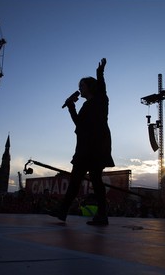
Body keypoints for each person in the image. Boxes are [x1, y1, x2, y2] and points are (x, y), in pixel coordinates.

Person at [49, 58, 115, 226]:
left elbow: (102, 86)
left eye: (82, 86)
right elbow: (79, 124)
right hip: (85, 146)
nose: (79, 89)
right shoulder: (85, 106)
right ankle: (64, 212)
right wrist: (71, 107)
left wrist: (100, 73)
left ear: (90, 87)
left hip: (97, 145)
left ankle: (99, 214)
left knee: (94, 179)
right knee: (78, 179)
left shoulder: (101, 99)